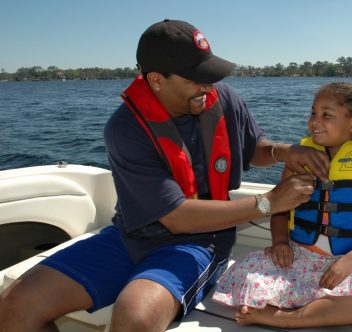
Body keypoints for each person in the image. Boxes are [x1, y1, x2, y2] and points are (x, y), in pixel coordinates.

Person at [0, 19, 330, 332]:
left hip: (202, 241)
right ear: (156, 80)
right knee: (15, 306)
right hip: (130, 236)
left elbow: (254, 146)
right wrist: (269, 202)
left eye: (209, 74)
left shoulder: (224, 100)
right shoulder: (124, 128)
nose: (207, 85)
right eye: (195, 77)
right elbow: (176, 217)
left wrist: (284, 151)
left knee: (135, 316)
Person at [212, 82, 352, 331]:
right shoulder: (299, 160)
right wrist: (280, 242)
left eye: (326, 115)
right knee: (243, 275)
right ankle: (345, 312)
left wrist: (351, 261)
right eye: (313, 113)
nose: (315, 121)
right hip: (301, 258)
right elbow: (279, 207)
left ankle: (289, 318)